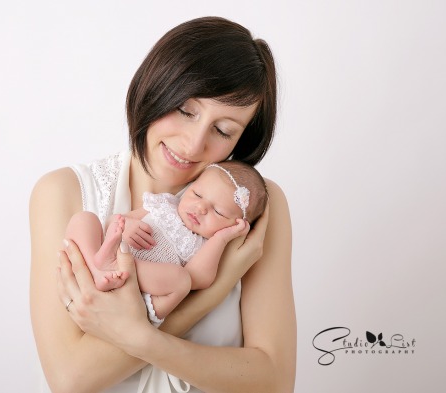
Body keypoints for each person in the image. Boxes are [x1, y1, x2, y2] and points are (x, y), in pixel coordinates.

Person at [30, 16, 296, 393]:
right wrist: (212, 292)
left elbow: (275, 381)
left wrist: (141, 337)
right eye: (186, 110)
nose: (192, 144)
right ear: (156, 85)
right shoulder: (64, 192)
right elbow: (70, 377)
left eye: (223, 131)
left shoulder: (252, 207)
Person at [65, 161, 269, 326]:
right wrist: (126, 226)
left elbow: (199, 279)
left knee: (181, 280)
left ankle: (110, 266)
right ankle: (97, 266)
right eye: (197, 194)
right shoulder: (165, 205)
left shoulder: (204, 243)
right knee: (84, 219)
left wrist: (222, 238)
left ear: (235, 225)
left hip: (133, 292)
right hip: (107, 259)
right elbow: (115, 221)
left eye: (218, 212)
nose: (200, 208)